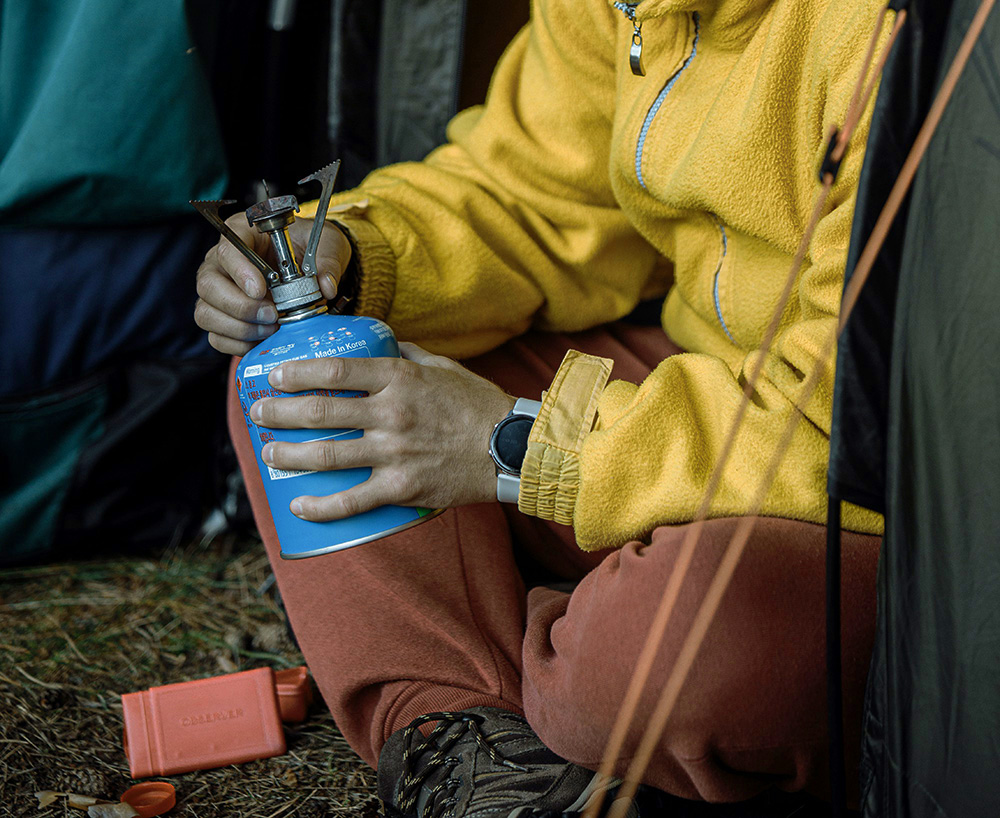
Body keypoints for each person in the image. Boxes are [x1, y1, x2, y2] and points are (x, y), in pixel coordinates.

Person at [194, 0, 889, 813]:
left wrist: (512, 444)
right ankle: (468, 743)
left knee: (667, 659)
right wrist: (346, 260)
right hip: (699, 386)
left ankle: (574, 634)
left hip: (879, 495)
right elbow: (529, 195)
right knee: (310, 382)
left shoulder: (901, 39)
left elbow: (862, 430)